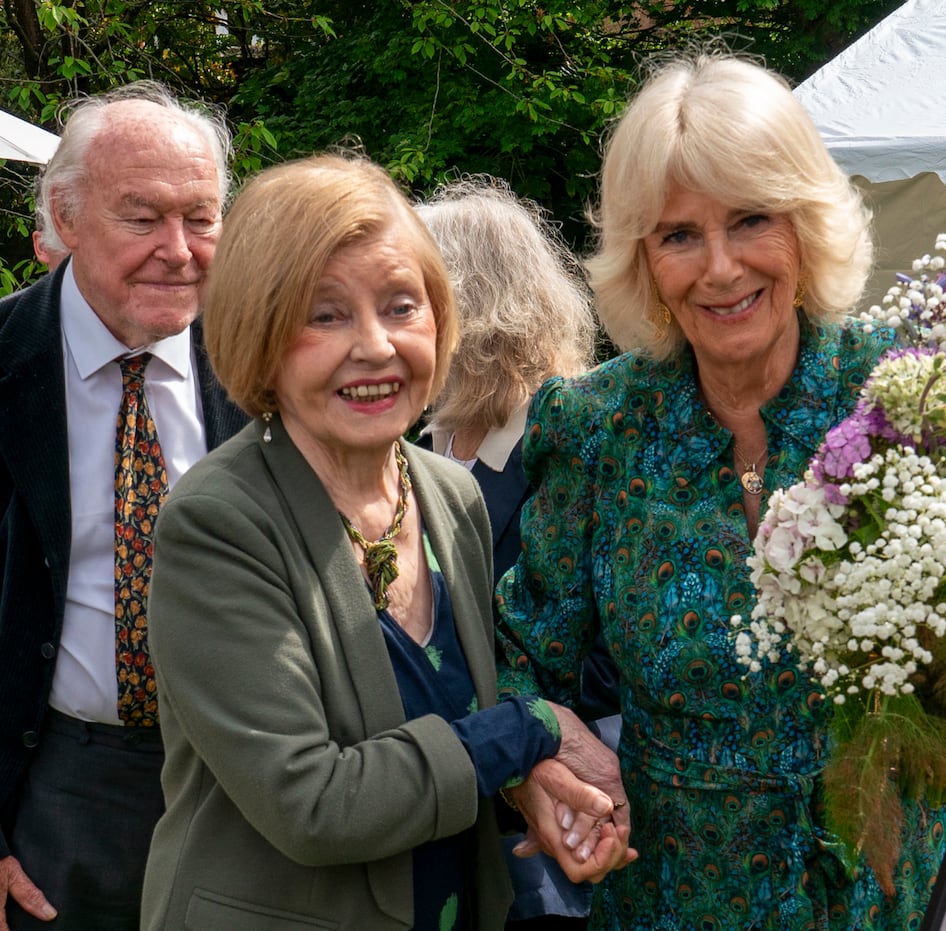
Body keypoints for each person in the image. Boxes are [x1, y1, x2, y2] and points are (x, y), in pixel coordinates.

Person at [494, 50, 946, 928]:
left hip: (885, 890)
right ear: (643, 258)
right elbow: (522, 656)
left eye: (751, 220)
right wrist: (539, 766)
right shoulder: (596, 426)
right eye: (678, 235)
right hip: (673, 895)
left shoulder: (905, 397)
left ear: (806, 224)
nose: (721, 268)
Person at [140, 153, 634, 931]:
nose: (374, 346)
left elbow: (450, 723)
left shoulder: (449, 494)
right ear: (260, 333)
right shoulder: (218, 521)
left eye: (402, 306)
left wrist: (531, 786)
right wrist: (530, 728)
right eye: (325, 314)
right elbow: (314, 803)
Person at [0, 81, 248, 931]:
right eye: (142, 217)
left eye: (202, 218)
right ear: (65, 218)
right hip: (56, 782)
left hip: (247, 779)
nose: (179, 250)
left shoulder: (269, 367)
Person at [416, 176, 617, 930]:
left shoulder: (567, 443)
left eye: (412, 289)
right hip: (450, 811)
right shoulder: (425, 440)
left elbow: (608, 650)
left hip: (558, 828)